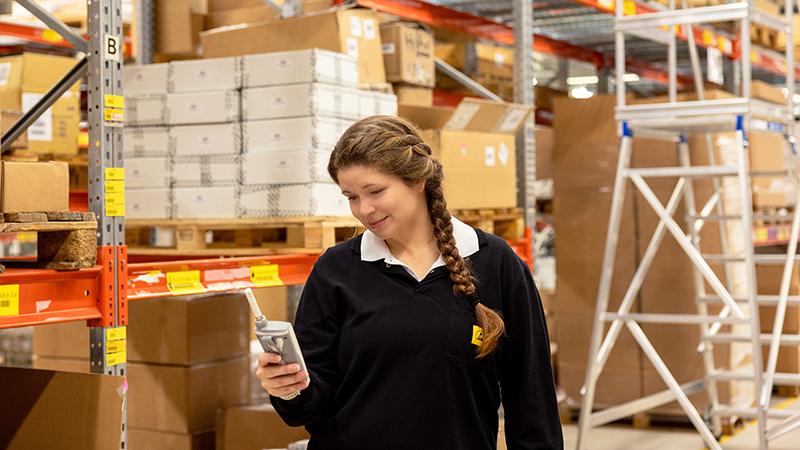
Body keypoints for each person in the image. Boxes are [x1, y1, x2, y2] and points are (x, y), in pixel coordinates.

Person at [255, 115, 563, 450]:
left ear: (417, 180)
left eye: (375, 191)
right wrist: (288, 388)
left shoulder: (496, 263)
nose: (364, 209)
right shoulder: (336, 270)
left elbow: (531, 395)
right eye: (351, 197)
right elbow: (310, 406)